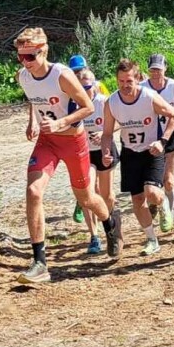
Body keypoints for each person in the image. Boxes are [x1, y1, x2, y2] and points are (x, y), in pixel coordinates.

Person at [15, 28, 121, 284]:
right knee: (33, 191)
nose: (25, 62)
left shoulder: (61, 74)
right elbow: (35, 98)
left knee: (85, 198)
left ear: (44, 51)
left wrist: (62, 122)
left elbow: (86, 106)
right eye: (20, 57)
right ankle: (40, 262)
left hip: (74, 141)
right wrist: (33, 121)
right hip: (47, 141)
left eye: (30, 56)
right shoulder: (23, 76)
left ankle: (110, 223)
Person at [101, 59, 174, 256]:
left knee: (152, 193)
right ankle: (152, 240)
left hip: (152, 151)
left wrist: (162, 140)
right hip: (129, 153)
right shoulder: (111, 102)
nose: (125, 86)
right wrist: (105, 152)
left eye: (129, 81)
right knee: (137, 199)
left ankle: (162, 205)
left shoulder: (148, 96)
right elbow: (107, 134)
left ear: (137, 79)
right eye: (121, 81)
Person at [75, 68, 118, 255]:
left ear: (95, 85)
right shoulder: (74, 104)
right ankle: (94, 236)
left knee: (107, 195)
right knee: (87, 194)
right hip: (85, 153)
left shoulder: (103, 102)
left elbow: (120, 122)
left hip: (105, 150)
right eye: (81, 87)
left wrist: (104, 133)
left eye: (88, 87)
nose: (85, 91)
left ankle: (112, 227)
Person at [141, 54, 174, 229]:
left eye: (158, 69)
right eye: (152, 69)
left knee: (169, 180)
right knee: (153, 181)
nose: (155, 73)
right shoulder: (143, 87)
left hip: (172, 136)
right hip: (151, 138)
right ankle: (155, 203)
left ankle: (169, 213)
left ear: (165, 68)